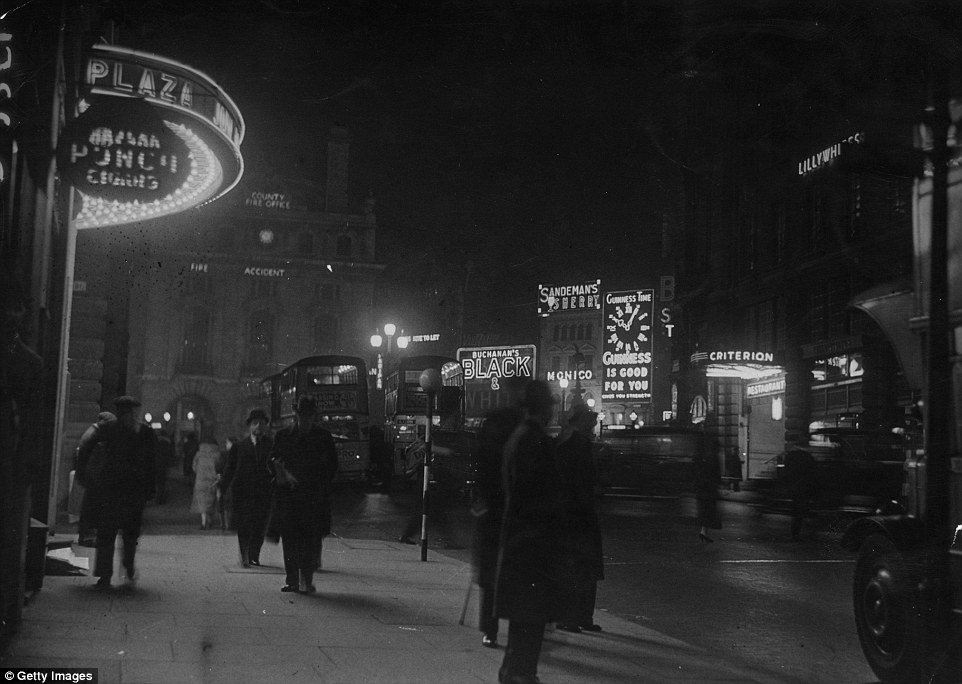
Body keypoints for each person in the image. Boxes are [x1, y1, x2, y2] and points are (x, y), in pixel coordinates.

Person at [494, 381, 565, 684]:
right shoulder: (536, 442)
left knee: (523, 620)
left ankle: (514, 671)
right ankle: (521, 675)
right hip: (533, 545)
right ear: (544, 408)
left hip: (518, 541)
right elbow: (541, 494)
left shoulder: (518, 438)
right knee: (531, 619)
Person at [80, 395, 157, 589]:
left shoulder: (108, 430)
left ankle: (105, 576)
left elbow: (87, 446)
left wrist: (87, 477)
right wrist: (150, 488)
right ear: (133, 412)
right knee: (130, 534)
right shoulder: (145, 432)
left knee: (107, 534)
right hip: (133, 491)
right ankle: (128, 567)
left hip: (111, 489)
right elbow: (153, 462)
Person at [266, 395, 338, 593]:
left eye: (309, 417)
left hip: (312, 499)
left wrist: (317, 481)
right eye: (301, 416)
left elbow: (332, 466)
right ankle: (292, 580)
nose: (305, 421)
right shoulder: (283, 436)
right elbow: (272, 459)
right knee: (290, 541)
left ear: (314, 417)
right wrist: (282, 472)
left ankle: (306, 579)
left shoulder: (323, 437)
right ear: (296, 415)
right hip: (289, 499)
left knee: (310, 542)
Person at [472, 405, 522, 649]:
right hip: (502, 509)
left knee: (491, 574)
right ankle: (496, 628)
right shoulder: (516, 428)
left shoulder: (498, 428)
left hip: (495, 509)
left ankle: (490, 629)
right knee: (496, 574)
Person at [554, 404, 604, 633]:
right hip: (577, 515)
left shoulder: (570, 443)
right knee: (579, 568)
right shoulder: (575, 445)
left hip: (576, 514)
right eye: (591, 420)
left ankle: (580, 616)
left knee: (583, 568)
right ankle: (573, 616)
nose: (594, 425)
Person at [220, 410, 274, 567]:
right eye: (255, 423)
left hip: (263, 493)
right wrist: (223, 486)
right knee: (244, 526)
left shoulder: (271, 445)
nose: (258, 426)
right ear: (249, 426)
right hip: (243, 493)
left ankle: (254, 555)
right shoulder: (239, 447)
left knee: (260, 525)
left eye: (262, 423)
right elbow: (230, 469)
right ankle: (244, 555)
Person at [74, 411, 118, 547]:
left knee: (89, 507)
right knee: (91, 507)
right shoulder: (94, 436)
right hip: (92, 477)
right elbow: (92, 459)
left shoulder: (91, 433)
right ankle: (87, 537)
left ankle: (86, 535)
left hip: (88, 476)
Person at [782, 445, 817, 541]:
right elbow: (813, 473)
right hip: (805, 488)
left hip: (796, 488)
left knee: (797, 513)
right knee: (802, 511)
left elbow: (786, 473)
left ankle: (795, 535)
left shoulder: (791, 457)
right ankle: (808, 533)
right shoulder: (808, 457)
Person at [694, 431, 722, 543]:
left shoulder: (705, 458)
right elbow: (716, 474)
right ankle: (704, 532)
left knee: (705, 511)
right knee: (709, 511)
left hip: (703, 489)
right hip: (710, 490)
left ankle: (703, 531)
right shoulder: (714, 458)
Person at [191, 436, 221, 530]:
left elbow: (194, 467)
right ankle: (210, 520)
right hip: (212, 482)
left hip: (200, 481)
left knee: (202, 503)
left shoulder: (199, 454)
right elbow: (220, 467)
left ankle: (203, 522)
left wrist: (200, 473)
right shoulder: (217, 455)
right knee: (211, 502)